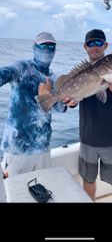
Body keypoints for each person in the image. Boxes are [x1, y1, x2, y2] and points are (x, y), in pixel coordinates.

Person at [0, 32, 70, 177]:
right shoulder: (21, 67)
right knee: (15, 194)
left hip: (43, 147)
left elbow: (60, 108)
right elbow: (4, 74)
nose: (47, 49)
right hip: (17, 148)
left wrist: (69, 101)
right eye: (43, 45)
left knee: (41, 192)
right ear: (34, 47)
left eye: (51, 46)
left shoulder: (54, 78)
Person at [78, 29, 112, 202]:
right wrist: (68, 101)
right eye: (91, 43)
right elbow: (74, 98)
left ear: (105, 46)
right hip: (88, 138)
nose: (95, 47)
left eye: (99, 43)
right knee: (88, 179)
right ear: (85, 47)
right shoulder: (81, 73)